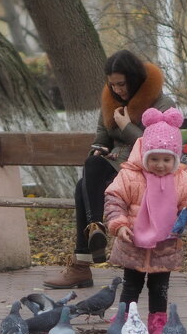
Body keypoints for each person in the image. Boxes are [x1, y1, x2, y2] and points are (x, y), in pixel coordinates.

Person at [43, 49, 174, 289]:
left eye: (121, 84)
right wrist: (100, 148)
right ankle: (96, 231)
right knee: (89, 172)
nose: (117, 90)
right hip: (115, 168)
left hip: (146, 172)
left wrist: (125, 126)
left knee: (82, 187)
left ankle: (82, 263)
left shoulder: (162, 104)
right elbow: (102, 134)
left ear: (134, 79)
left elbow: (161, 148)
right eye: (112, 85)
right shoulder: (110, 100)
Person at [102, 107, 187, 334]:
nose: (160, 165)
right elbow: (114, 199)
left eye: (167, 159)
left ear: (176, 158)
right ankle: (125, 318)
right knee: (131, 284)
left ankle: (158, 321)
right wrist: (119, 224)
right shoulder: (130, 176)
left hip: (165, 245)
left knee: (160, 287)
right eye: (155, 159)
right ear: (145, 155)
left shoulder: (183, 181)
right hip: (134, 242)